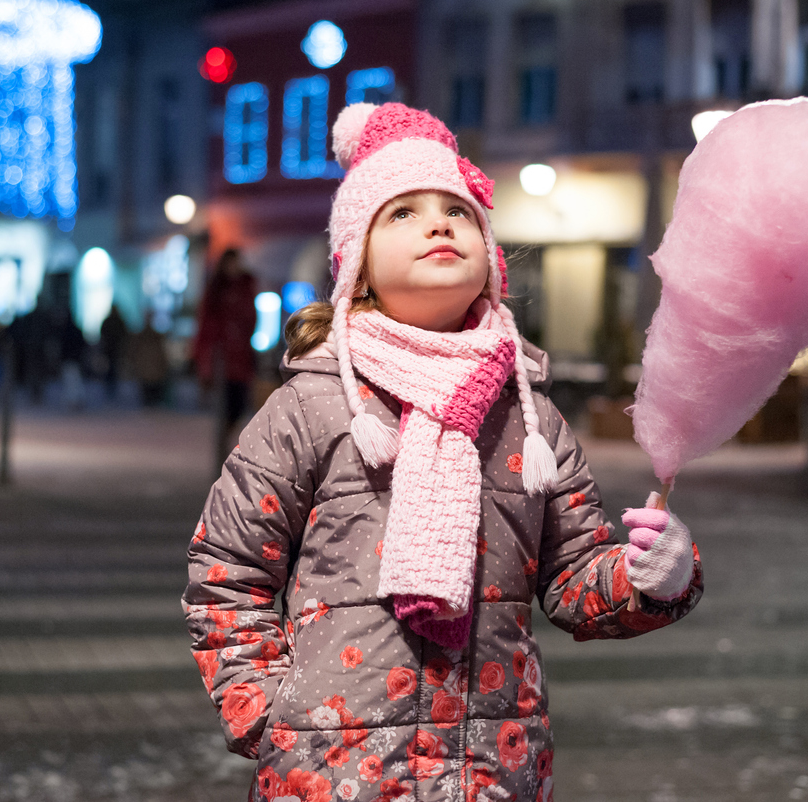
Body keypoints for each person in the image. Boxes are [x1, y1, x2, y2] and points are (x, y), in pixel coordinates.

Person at [184, 103, 702, 801]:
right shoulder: (312, 406)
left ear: (488, 257)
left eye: (456, 211)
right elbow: (228, 569)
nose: (437, 223)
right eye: (402, 213)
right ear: (355, 266)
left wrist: (651, 577)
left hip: (488, 768)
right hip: (332, 774)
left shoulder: (529, 417)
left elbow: (574, 579)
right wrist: (266, 712)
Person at [192, 247, 257, 427]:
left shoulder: (245, 287)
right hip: (220, 355)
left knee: (238, 402)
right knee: (222, 404)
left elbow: (251, 318)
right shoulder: (216, 289)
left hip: (241, 355)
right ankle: (223, 443)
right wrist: (201, 354)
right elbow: (205, 323)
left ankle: (227, 436)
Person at [129, 311, 170, 408]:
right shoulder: (148, 335)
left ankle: (151, 402)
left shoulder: (151, 335)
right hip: (149, 364)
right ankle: (151, 402)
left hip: (149, 364)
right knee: (149, 385)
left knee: (151, 385)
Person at [99, 304, 130, 400]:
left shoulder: (109, 321)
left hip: (112, 350)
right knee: (113, 370)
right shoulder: (119, 321)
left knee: (112, 370)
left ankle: (111, 389)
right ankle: (112, 389)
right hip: (114, 350)